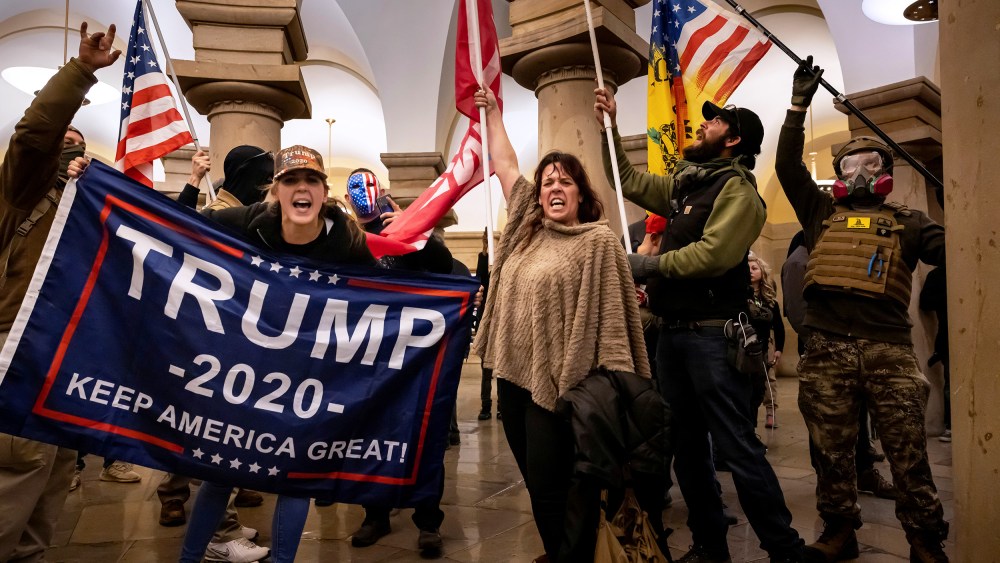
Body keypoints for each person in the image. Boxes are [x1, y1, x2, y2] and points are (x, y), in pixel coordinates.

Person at [595, 86, 806, 562]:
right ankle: (711, 544)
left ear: (733, 140)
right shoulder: (687, 184)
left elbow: (713, 256)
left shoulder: (739, 192)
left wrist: (645, 266)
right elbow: (626, 179)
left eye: (714, 122)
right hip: (674, 337)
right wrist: (608, 123)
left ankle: (784, 548)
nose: (702, 125)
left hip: (713, 336)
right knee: (686, 449)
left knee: (737, 447)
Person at [776, 56, 949, 562]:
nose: (859, 172)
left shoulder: (911, 223)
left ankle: (923, 539)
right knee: (832, 451)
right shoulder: (821, 214)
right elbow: (787, 167)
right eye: (849, 166)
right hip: (828, 349)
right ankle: (839, 531)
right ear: (837, 177)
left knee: (907, 451)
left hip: (890, 351)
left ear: (886, 174)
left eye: (871, 163)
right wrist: (796, 106)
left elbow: (962, 249)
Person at [472, 87, 651, 563]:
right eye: (548, 181)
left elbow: (615, 322)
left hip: (560, 386)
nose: (553, 188)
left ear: (581, 195)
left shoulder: (597, 243)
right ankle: (562, 550)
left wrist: (609, 386)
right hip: (513, 375)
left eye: (565, 182)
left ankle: (570, 553)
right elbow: (506, 163)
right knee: (537, 480)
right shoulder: (526, 228)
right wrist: (489, 110)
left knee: (558, 488)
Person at [0, 22, 120, 563]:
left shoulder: (85, 211)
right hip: (16, 349)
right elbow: (34, 136)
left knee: (47, 490)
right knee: (16, 476)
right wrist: (79, 73)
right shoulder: (23, 194)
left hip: (63, 359)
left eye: (78, 149)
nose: (69, 153)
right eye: (61, 144)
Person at [341, 168, 452, 556]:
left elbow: (446, 267)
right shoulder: (346, 238)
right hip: (366, 357)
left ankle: (428, 518)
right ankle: (375, 514)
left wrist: (413, 231)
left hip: (415, 358)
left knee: (423, 437)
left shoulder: (408, 228)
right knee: (367, 438)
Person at [783, 234, 899, 502]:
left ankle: (863, 472)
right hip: (823, 352)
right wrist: (825, 344)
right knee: (824, 422)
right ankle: (832, 484)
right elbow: (799, 314)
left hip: (849, 348)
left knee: (855, 416)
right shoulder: (799, 260)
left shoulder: (829, 253)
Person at [746, 253, 784, 429]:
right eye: (748, 269)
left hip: (764, 346)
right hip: (745, 346)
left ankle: (771, 411)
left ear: (762, 271)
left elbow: (779, 326)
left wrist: (779, 348)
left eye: (754, 268)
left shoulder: (770, 300)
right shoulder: (741, 297)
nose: (751, 271)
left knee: (768, 380)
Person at [919, 264, 950, 442]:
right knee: (950, 382)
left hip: (947, 335)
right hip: (947, 335)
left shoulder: (937, 274)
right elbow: (926, 302)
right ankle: (952, 425)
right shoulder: (938, 274)